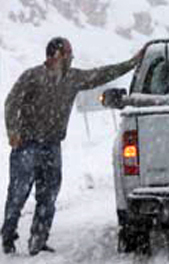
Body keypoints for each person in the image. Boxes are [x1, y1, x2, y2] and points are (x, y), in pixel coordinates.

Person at [1, 37, 142, 256]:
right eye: (68, 54)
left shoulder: (73, 78)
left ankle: (38, 240)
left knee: (48, 195)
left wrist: (131, 63)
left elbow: (102, 74)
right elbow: (11, 102)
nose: (71, 58)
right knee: (18, 193)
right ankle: (8, 237)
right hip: (26, 146)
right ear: (56, 55)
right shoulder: (32, 76)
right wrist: (12, 132)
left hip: (52, 145)